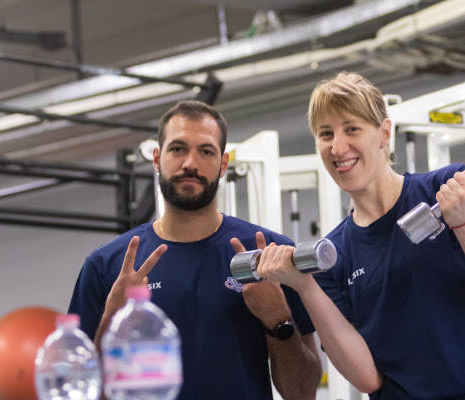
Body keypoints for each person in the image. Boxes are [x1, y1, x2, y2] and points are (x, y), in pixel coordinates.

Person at [251, 72, 465, 399]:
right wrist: (304, 285)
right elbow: (367, 378)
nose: (338, 147)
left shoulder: (453, 189)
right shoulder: (331, 255)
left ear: (384, 133)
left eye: (352, 128)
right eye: (326, 134)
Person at [68, 100, 321, 400]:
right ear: (157, 159)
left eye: (205, 151)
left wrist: (279, 321)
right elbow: (79, 393)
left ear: (223, 164)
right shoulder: (107, 266)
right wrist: (112, 320)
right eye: (177, 149)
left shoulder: (269, 256)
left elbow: (302, 393)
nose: (190, 163)